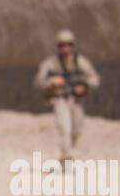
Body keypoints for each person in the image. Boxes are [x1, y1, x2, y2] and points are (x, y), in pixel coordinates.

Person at [33, 28, 100, 161]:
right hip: (60, 99)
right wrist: (52, 81)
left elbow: (94, 79)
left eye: (68, 45)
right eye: (62, 45)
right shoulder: (51, 63)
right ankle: (66, 156)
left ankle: (69, 152)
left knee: (77, 130)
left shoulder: (80, 62)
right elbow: (38, 82)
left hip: (75, 100)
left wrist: (84, 86)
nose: (65, 49)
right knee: (65, 128)